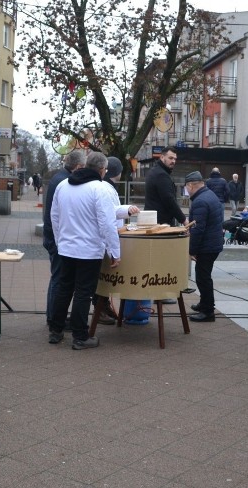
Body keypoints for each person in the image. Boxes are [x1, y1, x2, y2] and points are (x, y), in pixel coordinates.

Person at [49, 151, 121, 350]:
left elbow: (54, 216)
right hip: (88, 251)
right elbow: (107, 223)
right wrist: (115, 251)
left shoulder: (63, 186)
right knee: (83, 293)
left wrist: (59, 241)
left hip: (66, 248)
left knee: (64, 288)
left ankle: (55, 331)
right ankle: (80, 336)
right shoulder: (99, 189)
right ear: (102, 170)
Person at [94, 156, 140, 325]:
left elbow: (111, 211)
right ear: (118, 172)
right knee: (102, 278)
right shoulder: (105, 188)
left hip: (106, 238)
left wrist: (127, 209)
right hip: (105, 240)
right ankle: (100, 309)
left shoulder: (106, 187)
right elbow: (109, 216)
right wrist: (115, 249)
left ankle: (103, 307)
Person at [42, 150, 86, 327]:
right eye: (83, 168)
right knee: (59, 279)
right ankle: (54, 317)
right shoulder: (64, 181)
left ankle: (54, 316)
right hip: (57, 238)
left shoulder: (59, 178)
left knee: (58, 278)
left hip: (54, 235)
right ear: (78, 167)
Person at [144, 147, 186, 303]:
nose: (173, 161)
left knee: (156, 259)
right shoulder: (161, 175)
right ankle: (160, 294)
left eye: (175, 158)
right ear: (162, 158)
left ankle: (157, 293)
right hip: (160, 224)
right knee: (160, 260)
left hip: (156, 222)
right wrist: (183, 219)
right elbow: (169, 200)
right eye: (170, 158)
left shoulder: (157, 172)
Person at [183, 171, 224, 322]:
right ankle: (204, 304)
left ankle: (208, 311)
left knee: (203, 277)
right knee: (203, 276)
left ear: (191, 185)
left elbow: (198, 229)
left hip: (208, 246)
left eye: (186, 188)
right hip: (213, 243)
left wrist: (192, 250)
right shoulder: (209, 194)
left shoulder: (200, 201)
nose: (186, 191)